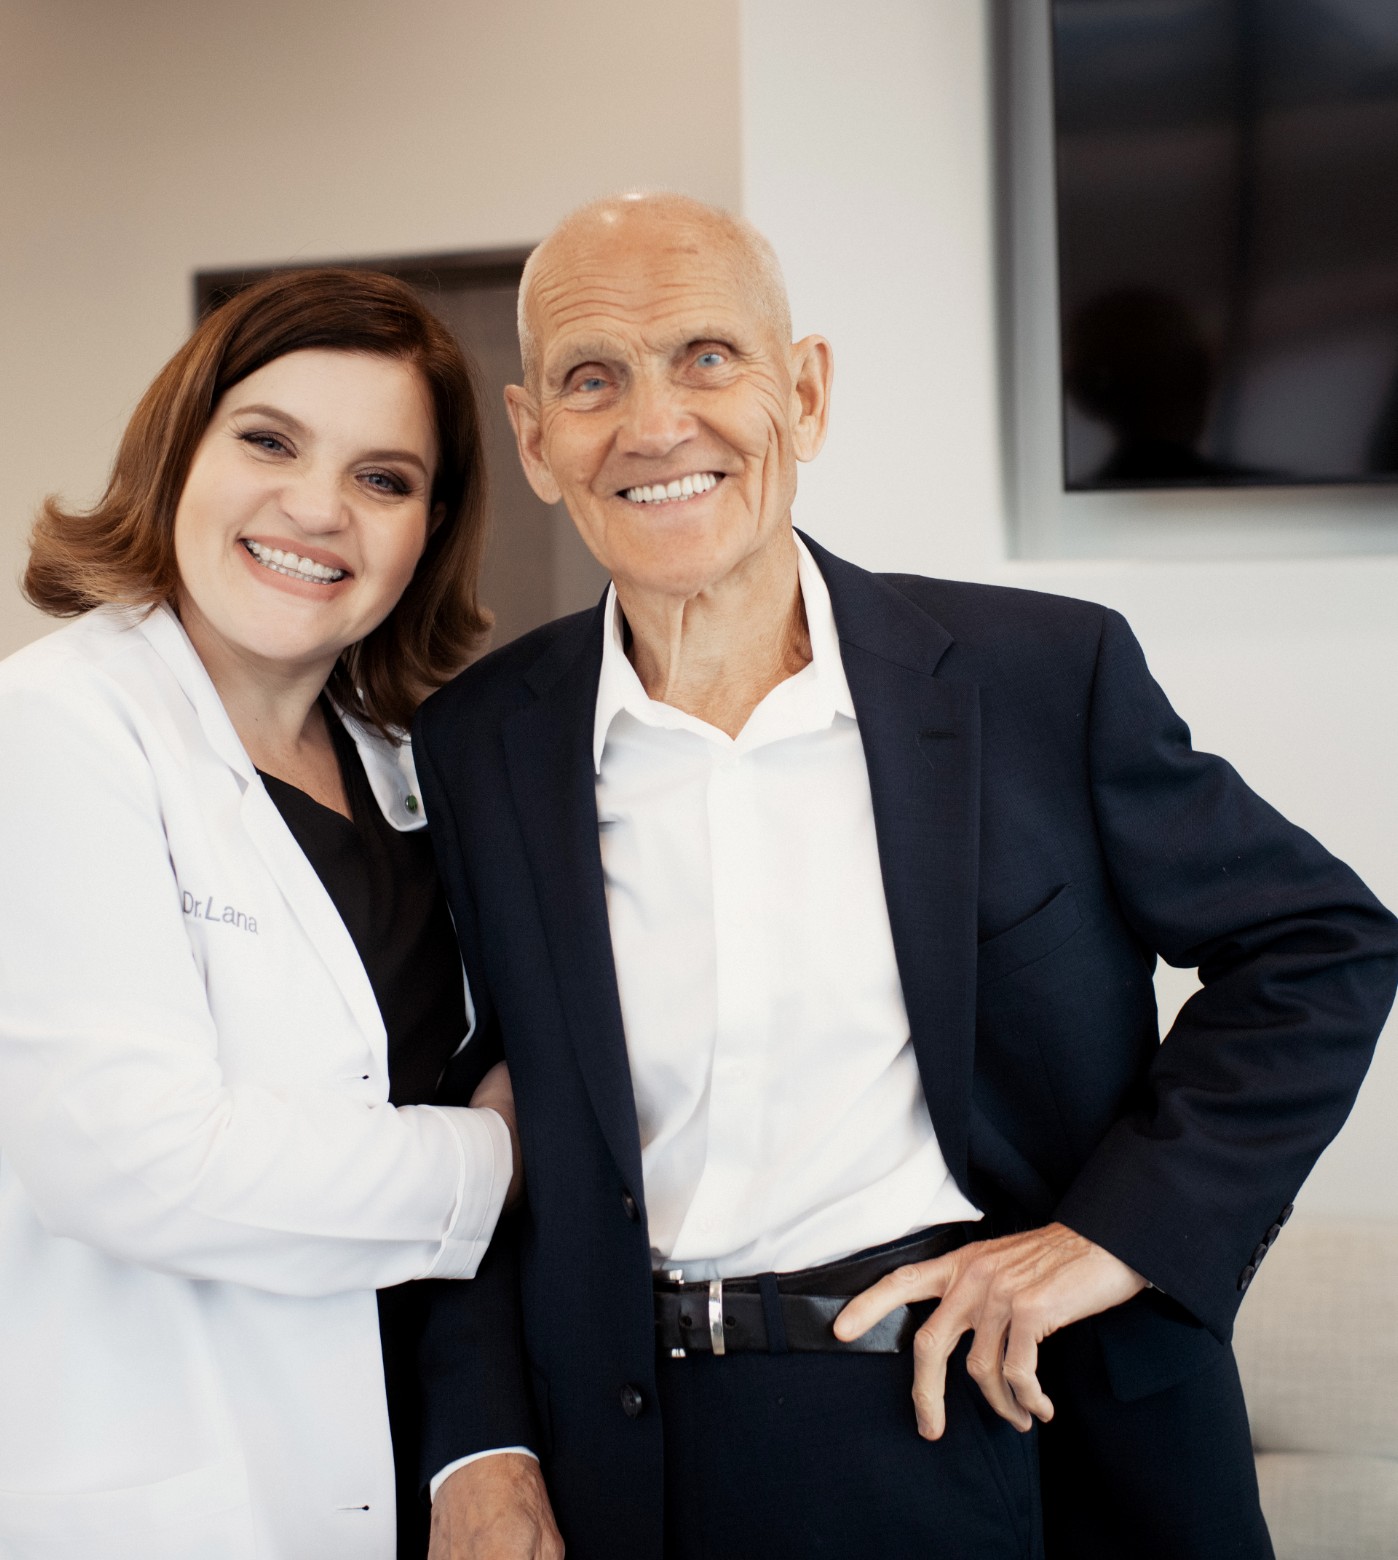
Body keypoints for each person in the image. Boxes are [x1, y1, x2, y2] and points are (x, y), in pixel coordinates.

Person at [411, 194, 1398, 1560]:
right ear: (533, 439)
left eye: (707, 356)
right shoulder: (475, 747)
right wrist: (479, 1444)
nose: (651, 424)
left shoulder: (1039, 677)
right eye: (592, 379)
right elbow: (452, 1122)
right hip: (624, 1461)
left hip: (990, 1422)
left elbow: (1318, 942)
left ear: (802, 394)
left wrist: (1109, 1238)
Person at [0, 268, 520, 1560]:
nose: (316, 508)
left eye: (383, 478)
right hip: (178, 1493)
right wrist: (498, 1157)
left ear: (427, 529)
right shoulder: (57, 730)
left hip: (416, 1466)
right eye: (270, 441)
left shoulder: (406, 765)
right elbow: (135, 1165)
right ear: (180, 450)